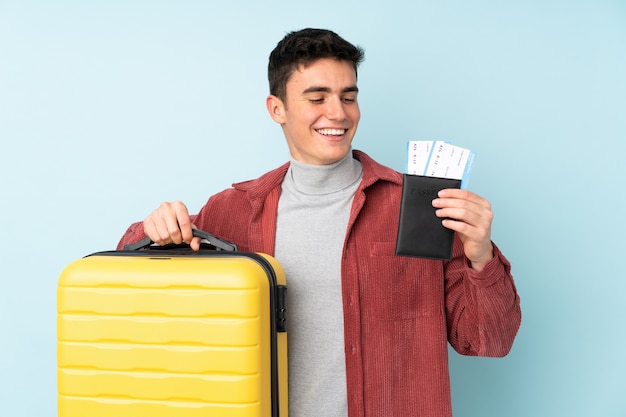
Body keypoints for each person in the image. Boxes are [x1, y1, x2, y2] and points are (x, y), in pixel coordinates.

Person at [117, 28, 521, 417]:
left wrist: (481, 255)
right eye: (317, 97)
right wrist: (151, 228)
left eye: (348, 96)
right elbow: (137, 288)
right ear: (277, 108)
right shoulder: (231, 213)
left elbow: (486, 340)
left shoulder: (420, 207)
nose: (338, 113)